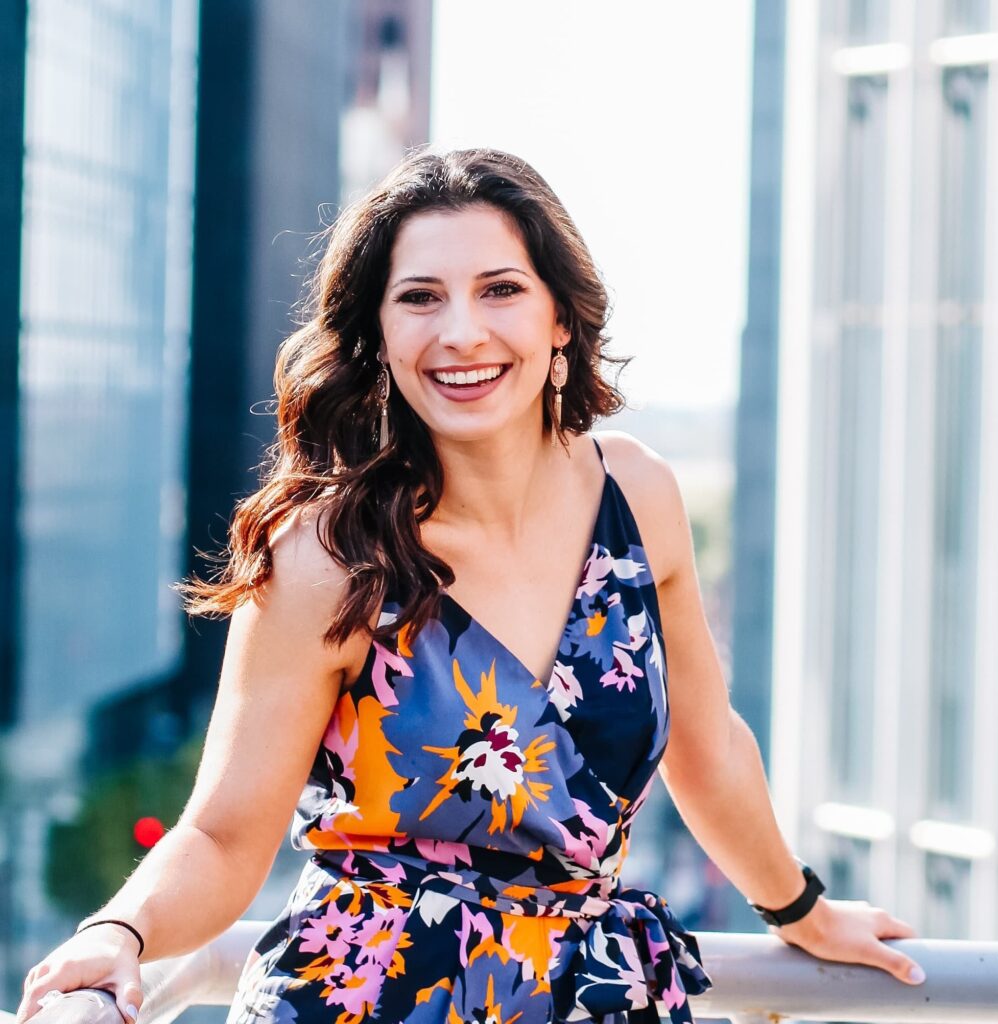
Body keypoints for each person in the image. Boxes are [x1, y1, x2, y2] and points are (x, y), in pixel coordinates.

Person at [16, 146, 925, 1024]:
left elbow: (709, 749)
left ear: (561, 317)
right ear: (378, 333)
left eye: (500, 290)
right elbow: (221, 834)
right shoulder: (328, 557)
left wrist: (801, 911)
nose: (461, 332)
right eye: (419, 298)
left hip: (592, 996)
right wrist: (119, 932)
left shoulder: (639, 497)